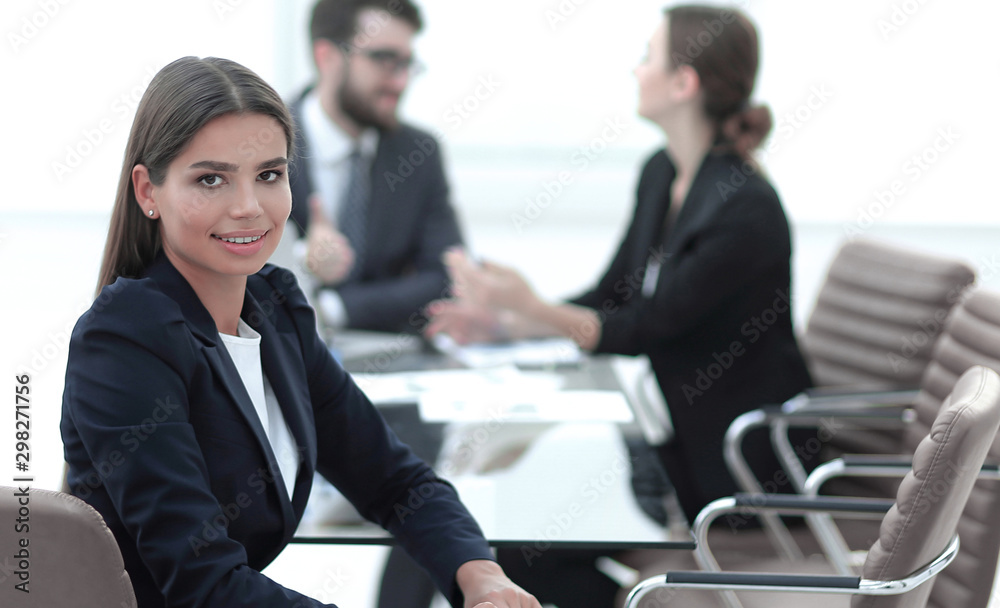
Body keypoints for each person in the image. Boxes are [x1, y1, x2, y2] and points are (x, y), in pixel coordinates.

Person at [59, 55, 539, 608]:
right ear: (148, 192)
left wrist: (481, 577)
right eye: (210, 179)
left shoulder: (274, 307)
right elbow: (203, 583)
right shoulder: (123, 341)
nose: (248, 208)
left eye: (269, 175)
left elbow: (396, 481)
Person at [426, 5, 814, 606]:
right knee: (499, 539)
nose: (635, 70)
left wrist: (528, 305)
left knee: (509, 546)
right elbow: (612, 296)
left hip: (732, 469)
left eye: (647, 57)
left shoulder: (745, 209)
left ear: (684, 84)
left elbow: (643, 329)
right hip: (666, 435)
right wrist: (506, 323)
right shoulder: (663, 172)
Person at [282, 0, 463, 335]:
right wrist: (303, 261)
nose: (400, 82)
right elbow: (224, 268)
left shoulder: (418, 153)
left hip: (390, 360)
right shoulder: (265, 142)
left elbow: (446, 276)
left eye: (407, 64)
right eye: (384, 60)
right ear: (328, 58)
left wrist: (334, 309)